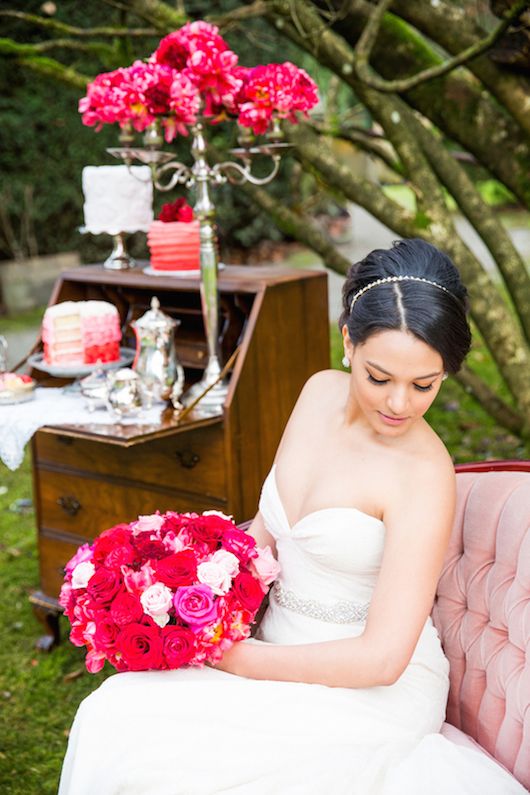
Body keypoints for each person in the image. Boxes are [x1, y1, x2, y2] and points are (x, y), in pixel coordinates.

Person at [59, 239, 526, 794]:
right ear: (348, 341)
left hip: (365, 687)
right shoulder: (317, 392)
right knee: (115, 714)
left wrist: (238, 660)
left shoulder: (423, 473)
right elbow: (266, 533)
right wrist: (192, 596)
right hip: (265, 645)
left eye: (424, 385)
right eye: (380, 377)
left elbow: (380, 660)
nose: (399, 404)